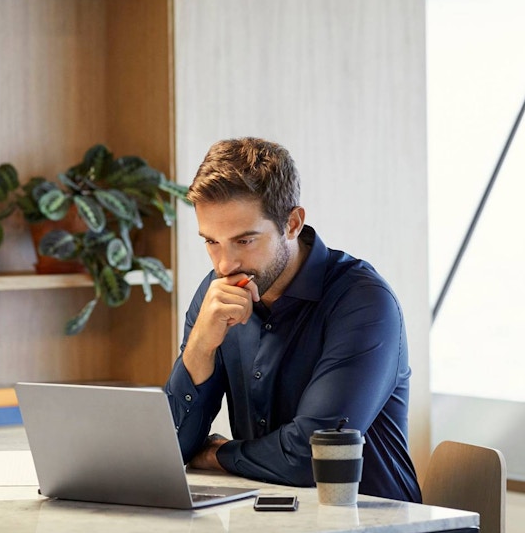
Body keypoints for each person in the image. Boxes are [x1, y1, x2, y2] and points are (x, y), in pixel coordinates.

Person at [165, 137, 422, 503]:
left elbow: (313, 456)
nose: (224, 265)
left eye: (244, 241)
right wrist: (200, 347)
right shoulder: (217, 296)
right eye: (211, 242)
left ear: (292, 223)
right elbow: (172, 446)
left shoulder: (364, 303)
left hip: (374, 524)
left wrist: (219, 455)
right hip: (270, 520)